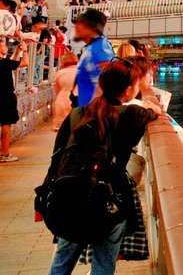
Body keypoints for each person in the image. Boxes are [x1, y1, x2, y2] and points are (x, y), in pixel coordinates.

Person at [44, 60, 159, 275]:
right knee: (103, 267)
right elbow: (154, 112)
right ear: (129, 89)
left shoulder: (78, 114)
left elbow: (57, 158)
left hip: (69, 198)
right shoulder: (131, 115)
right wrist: (151, 106)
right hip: (107, 203)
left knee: (61, 264)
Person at [73, 9, 114, 105]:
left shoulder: (100, 48)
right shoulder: (92, 47)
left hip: (95, 112)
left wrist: (94, 111)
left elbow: (109, 81)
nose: (76, 26)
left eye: (82, 23)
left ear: (92, 28)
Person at [0, 39, 28, 162]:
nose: (6, 47)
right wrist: (25, 50)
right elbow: (25, 63)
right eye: (3, 45)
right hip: (5, 97)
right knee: (6, 127)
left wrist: (17, 51)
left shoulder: (5, 63)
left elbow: (13, 63)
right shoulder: (3, 62)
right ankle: (4, 154)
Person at [52, 53, 79, 132]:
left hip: (62, 99)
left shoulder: (60, 73)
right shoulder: (81, 72)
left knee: (62, 129)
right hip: (77, 98)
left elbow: (57, 89)